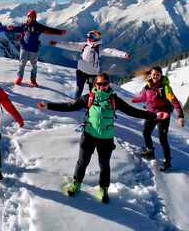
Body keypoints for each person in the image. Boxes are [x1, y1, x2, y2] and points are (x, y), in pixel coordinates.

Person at [37, 73, 169, 203]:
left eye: (104, 84)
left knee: (104, 165)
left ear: (108, 85)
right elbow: (70, 106)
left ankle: (103, 189)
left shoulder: (114, 100)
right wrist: (49, 105)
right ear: (95, 84)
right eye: (99, 84)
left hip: (106, 139)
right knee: (82, 162)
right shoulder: (89, 97)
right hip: (88, 135)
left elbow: (133, 111)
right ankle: (76, 184)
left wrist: (155, 116)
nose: (101, 87)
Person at [131, 66, 185, 171]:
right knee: (146, 132)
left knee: (162, 139)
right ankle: (150, 151)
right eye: (154, 74)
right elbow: (143, 97)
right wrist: (132, 101)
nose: (155, 76)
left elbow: (174, 101)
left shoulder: (165, 88)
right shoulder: (148, 85)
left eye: (158, 74)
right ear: (150, 75)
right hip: (151, 113)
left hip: (163, 115)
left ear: (161, 75)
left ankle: (167, 163)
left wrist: (180, 116)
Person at [49, 29, 131, 98]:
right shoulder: (84, 45)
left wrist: (124, 54)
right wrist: (57, 44)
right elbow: (70, 45)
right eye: (89, 37)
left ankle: (92, 105)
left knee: (93, 91)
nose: (90, 38)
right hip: (81, 72)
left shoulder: (99, 49)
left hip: (92, 74)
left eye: (92, 37)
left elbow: (111, 51)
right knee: (79, 89)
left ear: (97, 38)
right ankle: (76, 102)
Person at [11, 9, 66, 87]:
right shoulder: (24, 26)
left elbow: (48, 30)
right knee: (21, 64)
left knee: (34, 65)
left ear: (35, 18)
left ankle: (33, 80)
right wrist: (10, 28)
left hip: (34, 49)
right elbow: (15, 28)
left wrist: (59, 32)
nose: (31, 18)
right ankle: (19, 78)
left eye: (33, 17)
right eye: (30, 17)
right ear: (28, 17)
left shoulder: (38, 26)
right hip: (24, 48)